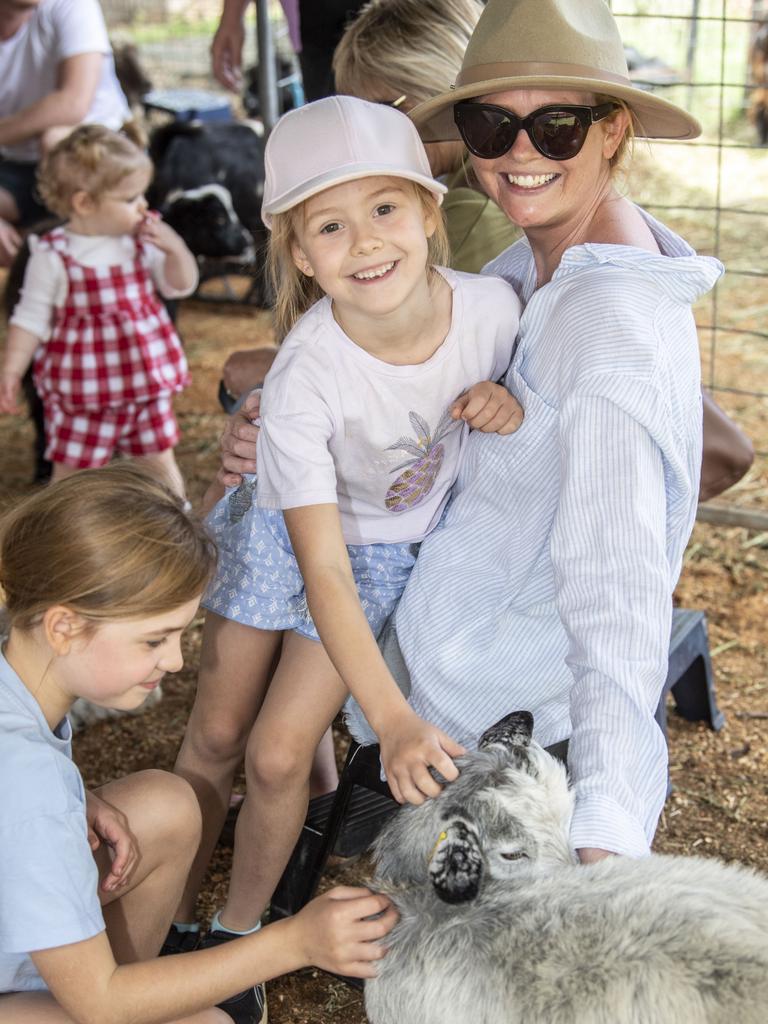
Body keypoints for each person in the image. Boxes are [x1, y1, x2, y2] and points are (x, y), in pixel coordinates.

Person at [218, 0, 725, 867]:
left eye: (556, 125)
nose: (519, 152)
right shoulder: (521, 268)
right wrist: (289, 425)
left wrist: (605, 834)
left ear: (614, 133)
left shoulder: (607, 329)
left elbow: (620, 595)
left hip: (499, 724)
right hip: (428, 659)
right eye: (491, 123)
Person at [171, 94, 522, 1022]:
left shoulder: (493, 312)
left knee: (281, 754)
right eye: (329, 223)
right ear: (298, 251)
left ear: (429, 212)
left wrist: (505, 401)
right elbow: (315, 563)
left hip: (379, 557)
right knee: (213, 735)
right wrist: (393, 718)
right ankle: (166, 923)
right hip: (288, 537)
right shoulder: (307, 374)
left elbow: (534, 408)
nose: (365, 243)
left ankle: (241, 941)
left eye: (384, 209)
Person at [0, 463, 396, 1024]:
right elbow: (100, 1003)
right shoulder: (29, 783)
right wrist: (293, 943)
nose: (175, 660)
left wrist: (76, 796)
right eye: (154, 639)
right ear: (64, 628)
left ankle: (135, 980)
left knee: (167, 806)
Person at [220, 0, 520, 403]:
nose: (364, 137)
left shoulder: (470, 212)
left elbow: (413, 369)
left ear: (435, 87)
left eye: (380, 111)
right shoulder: (465, 180)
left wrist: (281, 371)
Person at [0, 125, 196, 499]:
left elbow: (180, 284)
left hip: (143, 386)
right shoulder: (53, 254)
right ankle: (65, 534)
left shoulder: (142, 243)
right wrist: (11, 370)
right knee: (72, 473)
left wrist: (175, 249)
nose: (143, 206)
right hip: (82, 393)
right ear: (84, 203)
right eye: (129, 198)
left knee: (158, 462)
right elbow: (30, 319)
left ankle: (177, 526)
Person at [0, 0, 130, 267]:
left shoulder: (72, 5)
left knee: (57, 140)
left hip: (96, 159)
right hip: (17, 166)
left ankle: (83, 258)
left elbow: (72, 104)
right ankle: (43, 241)